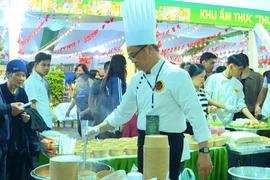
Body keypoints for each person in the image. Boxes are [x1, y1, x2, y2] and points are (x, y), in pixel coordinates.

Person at [86, 0, 212, 179]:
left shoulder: (177, 75)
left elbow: (195, 113)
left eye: (133, 55)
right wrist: (97, 129)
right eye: (130, 57)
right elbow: (123, 112)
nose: (132, 61)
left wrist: (204, 150)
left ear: (150, 49)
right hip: (144, 140)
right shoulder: (137, 79)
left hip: (170, 142)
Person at [204, 54, 257, 125]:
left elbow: (241, 104)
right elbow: (207, 98)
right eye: (239, 69)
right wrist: (224, 106)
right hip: (212, 121)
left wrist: (253, 119)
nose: (240, 72)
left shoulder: (238, 84)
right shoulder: (213, 79)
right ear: (231, 66)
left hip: (229, 122)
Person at [1, 60, 31, 180]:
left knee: (18, 172)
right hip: (4, 138)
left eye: (23, 75)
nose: (21, 78)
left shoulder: (22, 92)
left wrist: (26, 119)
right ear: (8, 74)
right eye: (17, 74)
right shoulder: (1, 91)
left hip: (19, 139)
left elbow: (27, 112)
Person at [94, 55, 127, 139]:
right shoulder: (117, 80)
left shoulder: (107, 79)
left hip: (104, 117)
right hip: (113, 121)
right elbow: (119, 102)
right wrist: (121, 122)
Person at [186, 64, 217, 134]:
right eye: (201, 77)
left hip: (202, 126)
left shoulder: (202, 91)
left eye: (204, 77)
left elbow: (202, 108)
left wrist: (208, 109)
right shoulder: (187, 92)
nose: (203, 80)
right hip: (190, 127)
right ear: (192, 76)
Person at [24, 52, 52, 128]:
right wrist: (37, 125)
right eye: (43, 65)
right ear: (36, 65)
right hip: (40, 125)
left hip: (46, 122)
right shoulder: (32, 81)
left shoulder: (42, 80)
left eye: (48, 65)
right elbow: (32, 104)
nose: (46, 68)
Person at [233, 53, 263, 119]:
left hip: (253, 111)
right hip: (236, 112)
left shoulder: (257, 77)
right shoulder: (235, 77)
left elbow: (263, 93)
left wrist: (258, 106)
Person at [88, 61, 110, 125]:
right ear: (106, 70)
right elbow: (91, 101)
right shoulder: (98, 83)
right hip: (100, 116)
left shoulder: (119, 83)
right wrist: (95, 115)